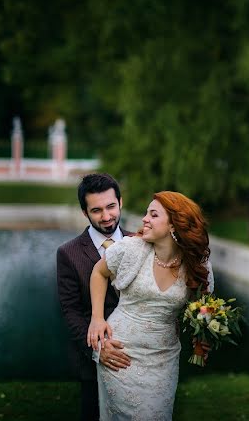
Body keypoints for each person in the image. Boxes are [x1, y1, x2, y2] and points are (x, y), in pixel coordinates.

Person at [87, 191, 214, 420]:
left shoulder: (196, 263)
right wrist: (97, 318)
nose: (144, 219)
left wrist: (202, 337)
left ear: (174, 225)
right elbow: (98, 272)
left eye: (153, 215)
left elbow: (204, 303)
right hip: (118, 353)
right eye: (146, 213)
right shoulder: (130, 249)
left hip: (163, 359)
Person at [57, 173, 134, 421]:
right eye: (97, 210)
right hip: (95, 363)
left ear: (120, 202)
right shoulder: (68, 254)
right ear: (85, 213)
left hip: (142, 356)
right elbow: (70, 311)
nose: (107, 216)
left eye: (111, 206)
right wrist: (98, 351)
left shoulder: (141, 243)